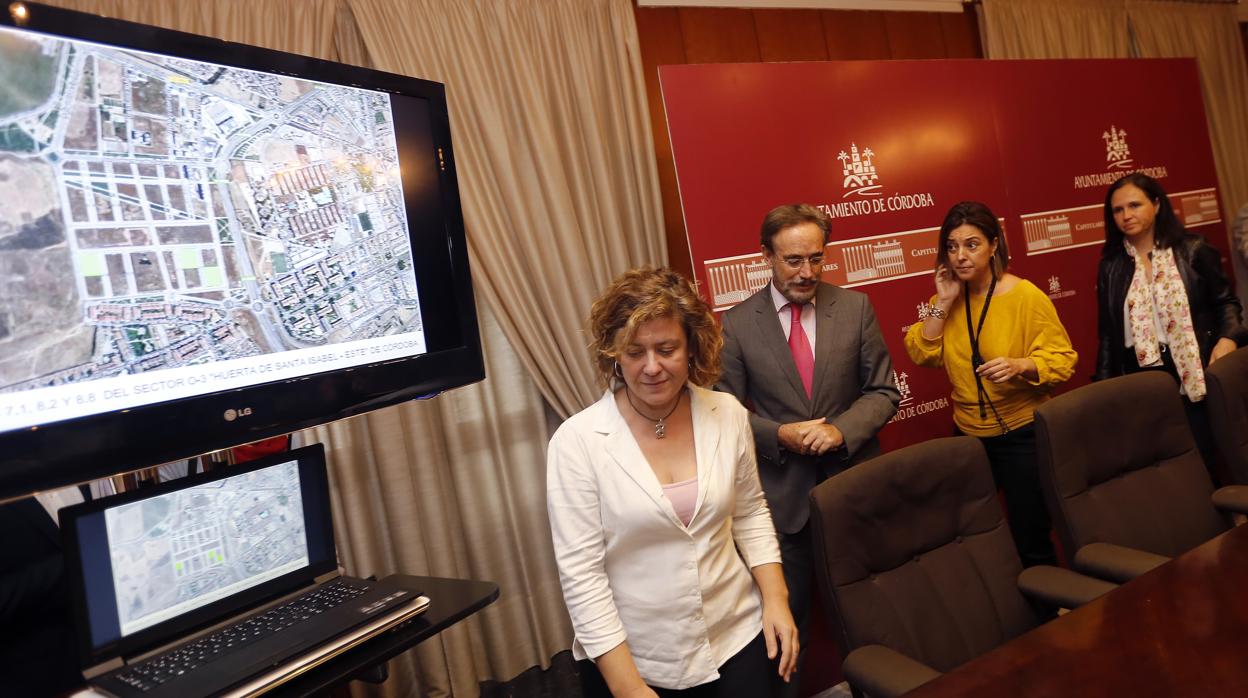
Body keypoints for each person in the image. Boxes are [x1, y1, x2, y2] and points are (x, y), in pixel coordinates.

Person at [547, 267, 797, 697]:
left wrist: (776, 599)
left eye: (667, 349)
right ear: (613, 355)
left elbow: (751, 511)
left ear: (693, 348)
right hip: (637, 659)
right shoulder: (578, 442)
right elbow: (582, 576)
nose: (652, 368)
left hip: (736, 635)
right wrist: (628, 687)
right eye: (634, 352)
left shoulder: (727, 413)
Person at [717, 204, 898, 696]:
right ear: (766, 258)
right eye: (793, 261)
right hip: (783, 502)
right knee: (787, 627)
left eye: (817, 259)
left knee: (873, 613)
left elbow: (883, 392)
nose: (807, 273)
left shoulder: (855, 308)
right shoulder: (737, 324)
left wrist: (841, 431)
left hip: (853, 489)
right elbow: (723, 413)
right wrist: (780, 435)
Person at [904, 201, 1076, 568]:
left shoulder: (1025, 296)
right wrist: (944, 302)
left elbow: (1063, 360)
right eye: (951, 247)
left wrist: (1022, 365)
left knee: (1031, 534)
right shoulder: (947, 299)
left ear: (994, 246)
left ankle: (1050, 613)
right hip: (968, 434)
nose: (960, 256)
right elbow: (921, 352)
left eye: (972, 244)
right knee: (973, 534)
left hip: (1022, 432)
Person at [1095, 173, 1248, 476]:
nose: (1126, 216)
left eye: (1135, 205)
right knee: (1163, 464)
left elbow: (1226, 303)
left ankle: (1228, 515)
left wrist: (1228, 338)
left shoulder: (1193, 249)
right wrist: (1103, 387)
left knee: (1208, 456)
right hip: (1141, 376)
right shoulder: (1111, 266)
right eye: (1118, 210)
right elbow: (1108, 335)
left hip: (1194, 368)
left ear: (1156, 204)